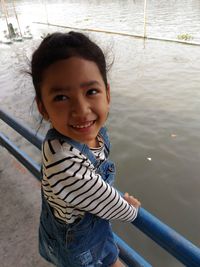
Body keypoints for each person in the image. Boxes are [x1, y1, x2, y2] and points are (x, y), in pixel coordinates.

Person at [30, 31, 141, 267]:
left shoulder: (88, 133)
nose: (81, 109)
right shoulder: (63, 161)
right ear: (43, 107)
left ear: (107, 94)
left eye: (91, 91)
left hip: (89, 221)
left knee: (111, 256)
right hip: (79, 245)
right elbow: (115, 207)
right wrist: (130, 208)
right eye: (61, 97)